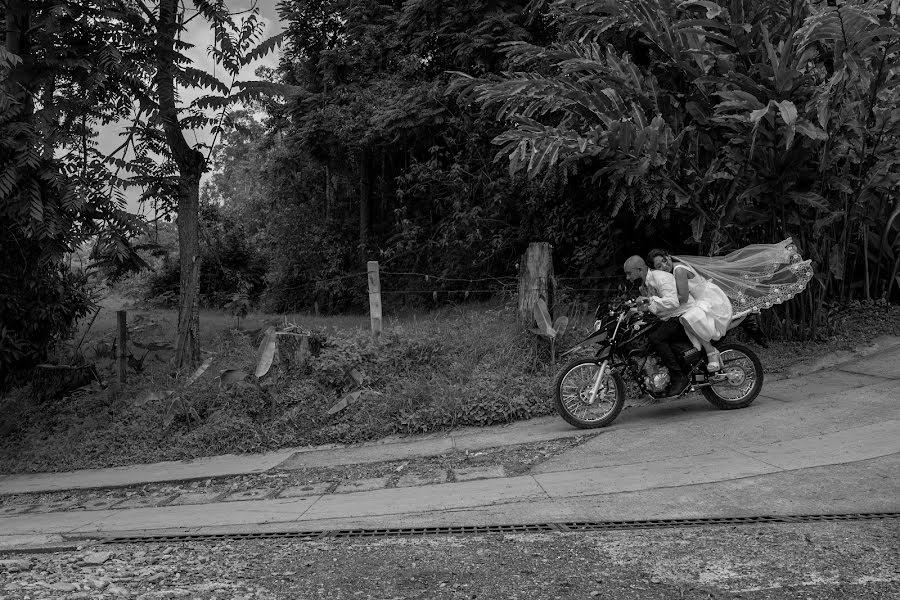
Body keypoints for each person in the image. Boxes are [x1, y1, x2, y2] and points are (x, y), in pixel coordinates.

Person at [647, 248, 733, 371]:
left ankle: (711, 352)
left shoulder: (679, 270)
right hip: (698, 301)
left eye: (665, 261)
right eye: (659, 266)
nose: (665, 266)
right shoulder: (670, 273)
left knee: (688, 317)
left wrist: (658, 301)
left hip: (710, 300)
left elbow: (683, 297)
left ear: (668, 256)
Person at [623, 255, 693, 397]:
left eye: (629, 273)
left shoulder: (659, 278)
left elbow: (673, 302)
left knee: (657, 339)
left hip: (683, 314)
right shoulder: (645, 285)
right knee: (647, 335)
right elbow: (653, 306)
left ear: (639, 269)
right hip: (669, 316)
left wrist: (649, 301)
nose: (627, 278)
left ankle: (679, 377)